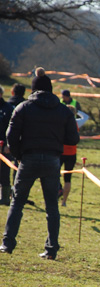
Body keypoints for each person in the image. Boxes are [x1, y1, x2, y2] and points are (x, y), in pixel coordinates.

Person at [0, 67, 79, 259]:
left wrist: (19, 156)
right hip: (53, 160)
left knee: (17, 203)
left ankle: (7, 244)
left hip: (28, 158)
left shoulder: (23, 108)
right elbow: (73, 138)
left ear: (33, 89)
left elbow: (11, 136)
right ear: (51, 89)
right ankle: (51, 249)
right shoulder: (63, 110)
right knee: (52, 206)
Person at [58, 105, 82, 207]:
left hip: (60, 152)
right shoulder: (75, 124)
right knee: (68, 179)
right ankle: (64, 202)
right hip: (72, 154)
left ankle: (58, 190)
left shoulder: (61, 123)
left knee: (53, 173)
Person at [0, 85, 15, 205]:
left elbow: (12, 129)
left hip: (3, 145)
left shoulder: (8, 108)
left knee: (4, 172)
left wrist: (8, 144)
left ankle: (5, 197)